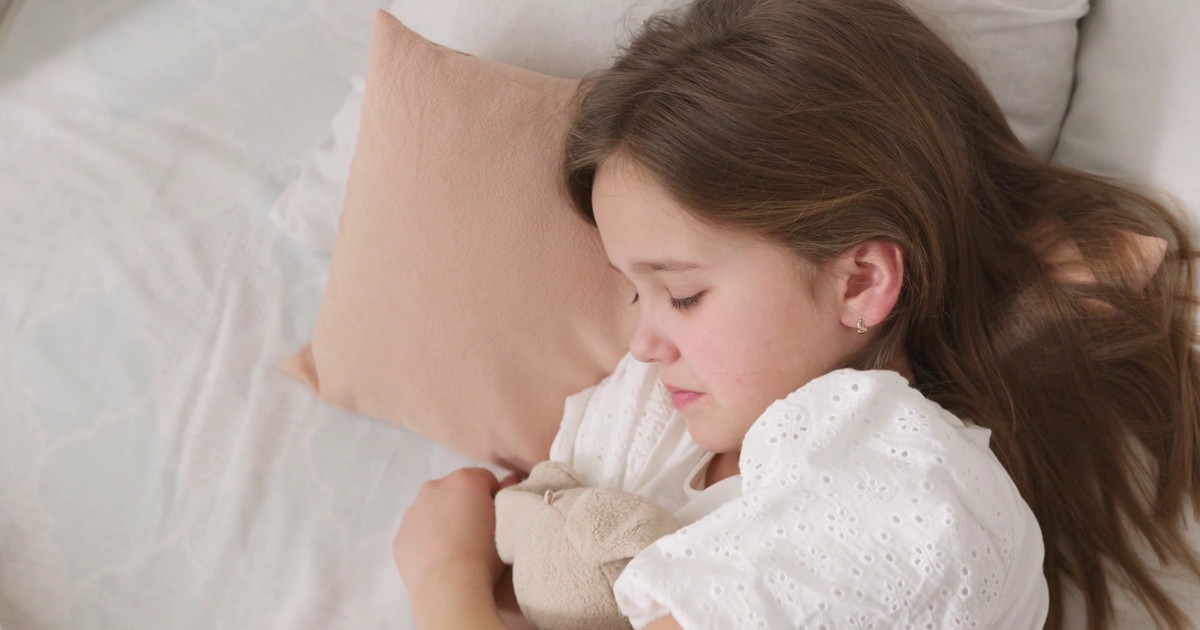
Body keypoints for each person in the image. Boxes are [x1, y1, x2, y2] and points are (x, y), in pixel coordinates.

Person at [394, 0, 1200, 628]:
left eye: (684, 294)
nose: (642, 344)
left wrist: (445, 575)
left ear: (860, 284)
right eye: (636, 291)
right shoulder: (655, 417)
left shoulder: (912, 505)